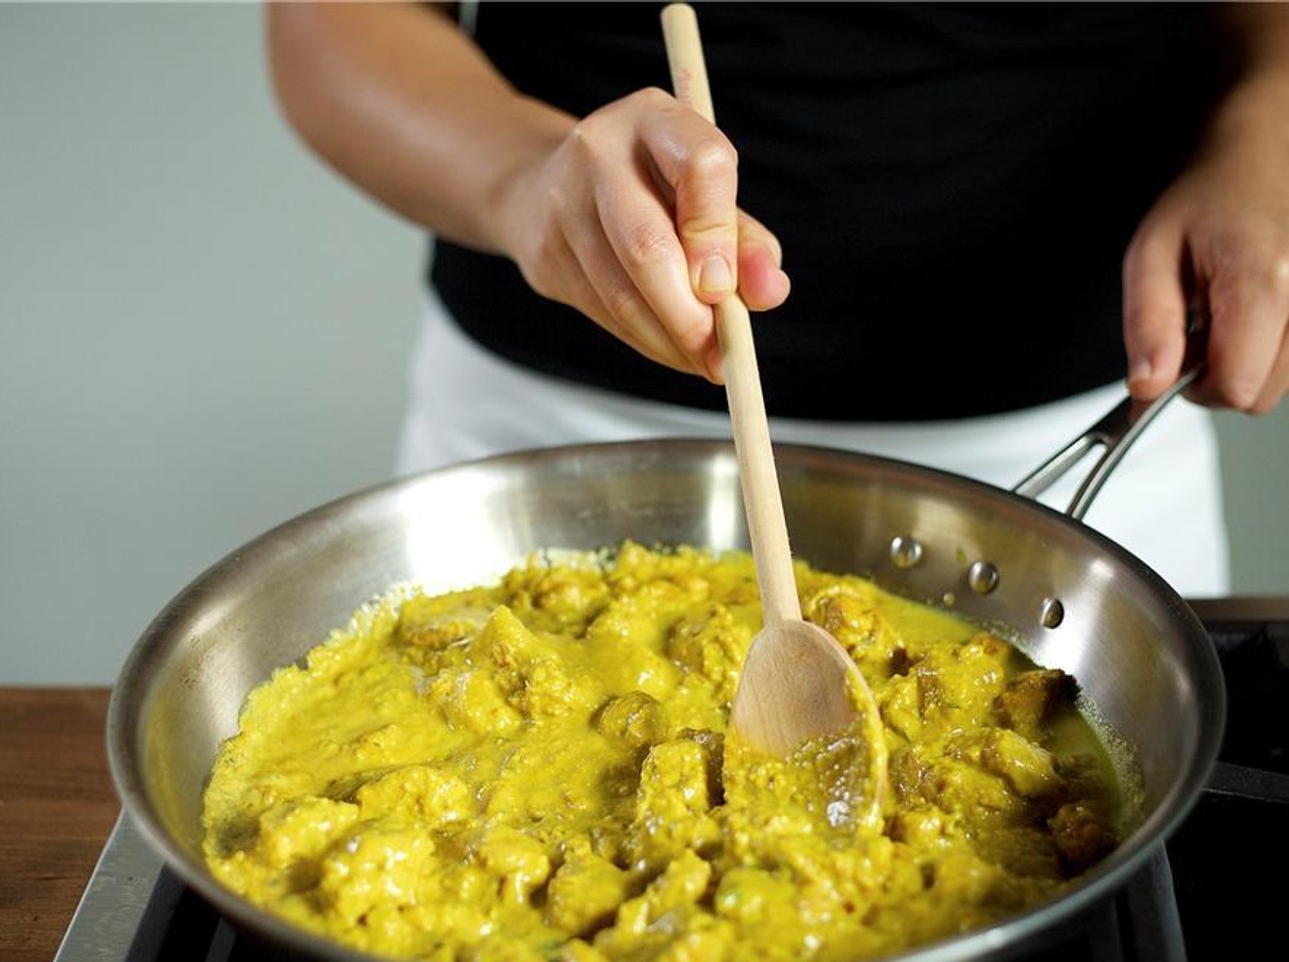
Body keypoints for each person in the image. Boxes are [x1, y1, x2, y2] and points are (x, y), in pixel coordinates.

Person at [264, 2, 1289, 597]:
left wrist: (1268, 136)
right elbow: (334, 22)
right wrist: (523, 178)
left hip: (1088, 456)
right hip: (549, 455)